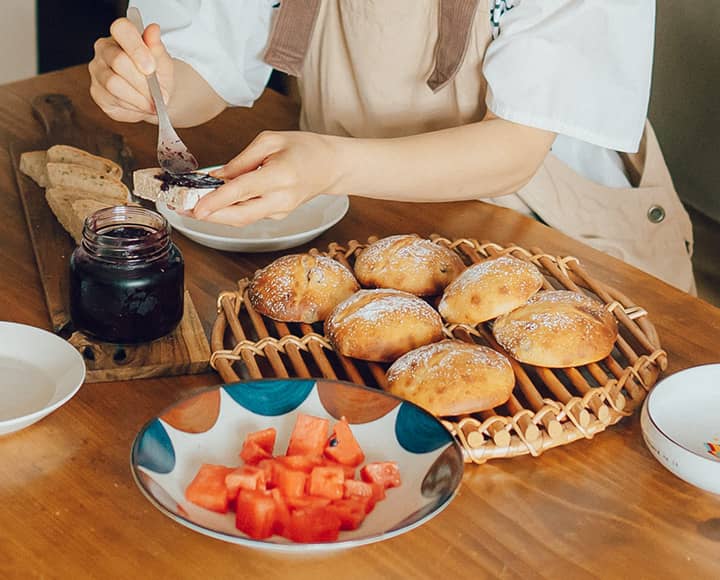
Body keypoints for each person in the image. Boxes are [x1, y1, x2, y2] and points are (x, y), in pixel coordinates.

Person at [89, 0, 695, 293]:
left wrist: (332, 165)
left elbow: (516, 147)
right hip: (358, 233)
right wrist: (152, 86)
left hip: (552, 242)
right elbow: (204, 75)